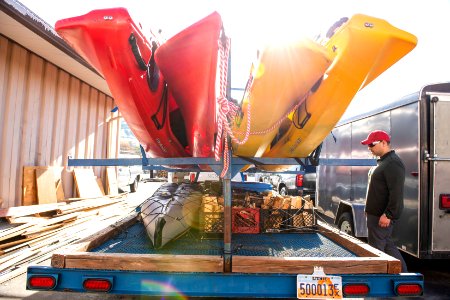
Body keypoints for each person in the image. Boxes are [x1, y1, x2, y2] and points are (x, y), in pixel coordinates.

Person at [361, 130, 408, 272]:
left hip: (381, 217)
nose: (369, 148)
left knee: (377, 251)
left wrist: (388, 214)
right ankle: (404, 276)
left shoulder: (393, 163)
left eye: (372, 144)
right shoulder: (384, 162)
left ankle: (378, 284)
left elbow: (396, 193)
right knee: (387, 246)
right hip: (376, 216)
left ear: (383, 143)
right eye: (368, 145)